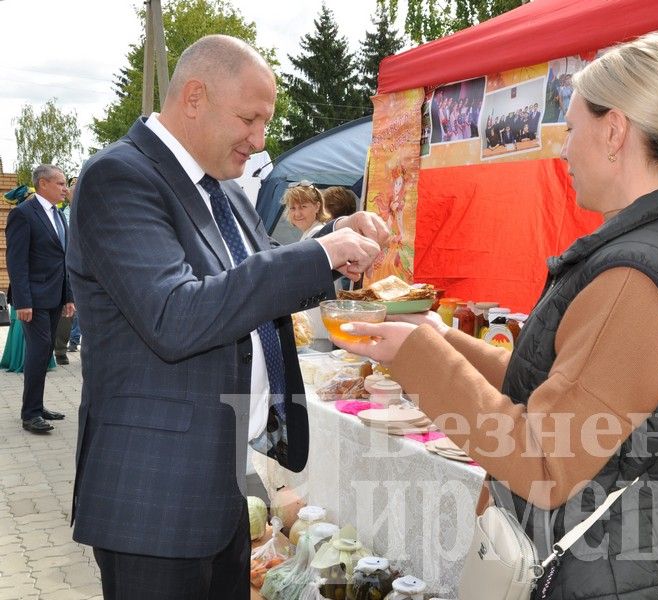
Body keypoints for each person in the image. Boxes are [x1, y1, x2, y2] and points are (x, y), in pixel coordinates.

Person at [334, 32, 658, 598]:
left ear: (613, 132)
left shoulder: (633, 278)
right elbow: (549, 384)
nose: (563, 149)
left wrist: (417, 357)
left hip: (612, 569)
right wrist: (433, 335)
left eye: (570, 128)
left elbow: (543, 460)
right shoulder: (652, 247)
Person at [67, 34, 387, 599]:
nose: (259, 140)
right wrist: (319, 254)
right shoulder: (118, 178)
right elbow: (175, 314)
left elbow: (256, 284)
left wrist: (333, 242)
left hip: (221, 489)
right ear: (194, 97)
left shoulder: (226, 191)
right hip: (154, 501)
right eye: (250, 119)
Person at [5, 164, 74, 434]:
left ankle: (37, 404)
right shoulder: (23, 214)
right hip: (32, 298)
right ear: (43, 184)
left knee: (44, 352)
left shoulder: (59, 217)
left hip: (55, 296)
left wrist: (68, 296)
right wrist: (22, 301)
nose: (65, 189)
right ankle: (30, 414)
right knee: (39, 349)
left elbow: (63, 260)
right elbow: (16, 261)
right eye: (60, 184)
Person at [53, 176, 77, 364]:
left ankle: (68, 344)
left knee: (71, 311)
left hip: (81, 267)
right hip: (64, 267)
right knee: (65, 311)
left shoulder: (90, 211)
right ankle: (59, 350)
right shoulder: (62, 214)